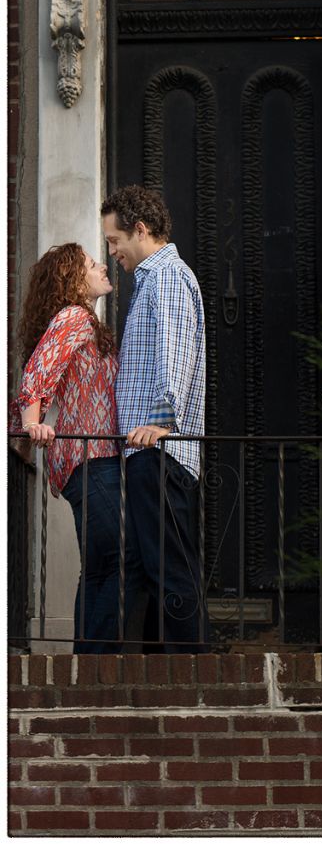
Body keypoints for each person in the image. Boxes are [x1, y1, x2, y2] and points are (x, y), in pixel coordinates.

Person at [101, 184, 209, 652]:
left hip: (158, 447)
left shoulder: (166, 277)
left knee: (170, 566)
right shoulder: (153, 279)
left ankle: (192, 674)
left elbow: (175, 352)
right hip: (147, 446)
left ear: (139, 230)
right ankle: (164, 669)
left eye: (113, 241)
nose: (111, 253)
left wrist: (164, 421)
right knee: (156, 565)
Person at [10, 243, 124, 653]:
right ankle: (100, 663)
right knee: (122, 558)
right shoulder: (75, 317)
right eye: (92, 264)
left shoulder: (86, 323)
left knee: (97, 568)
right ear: (74, 280)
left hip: (88, 463)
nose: (102, 266)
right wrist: (31, 426)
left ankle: (85, 663)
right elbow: (37, 374)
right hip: (91, 460)